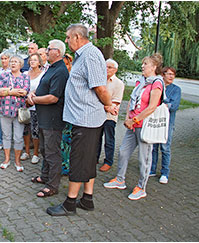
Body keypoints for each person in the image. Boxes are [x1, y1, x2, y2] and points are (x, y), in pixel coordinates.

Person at [45, 24, 115, 216]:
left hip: (86, 119)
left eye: (68, 38)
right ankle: (87, 199)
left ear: (77, 37)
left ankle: (70, 204)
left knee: (78, 161)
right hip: (84, 117)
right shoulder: (82, 56)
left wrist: (108, 105)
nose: (66, 41)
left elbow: (100, 88)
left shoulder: (90, 55)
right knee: (88, 159)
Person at [102, 54, 165, 200]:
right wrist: (127, 118)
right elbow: (131, 101)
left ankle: (141, 187)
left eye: (146, 64)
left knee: (144, 159)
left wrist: (134, 119)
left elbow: (151, 107)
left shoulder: (157, 83)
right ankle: (120, 179)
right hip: (133, 125)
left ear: (154, 67)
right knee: (123, 152)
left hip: (145, 126)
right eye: (143, 63)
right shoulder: (141, 82)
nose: (142, 66)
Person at [27, 39, 69, 198]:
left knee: (52, 152)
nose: (45, 52)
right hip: (44, 117)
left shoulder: (61, 71)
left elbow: (53, 97)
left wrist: (34, 100)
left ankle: (52, 185)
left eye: (48, 49)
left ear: (57, 52)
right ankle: (45, 176)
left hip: (53, 119)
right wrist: (33, 93)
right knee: (44, 149)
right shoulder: (51, 68)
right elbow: (44, 86)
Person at [0, 57, 30, 172]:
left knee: (18, 138)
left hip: (19, 112)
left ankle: (17, 161)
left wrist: (7, 91)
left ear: (20, 64)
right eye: (11, 62)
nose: (13, 64)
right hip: (5, 110)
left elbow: (24, 91)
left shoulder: (25, 76)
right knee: (6, 136)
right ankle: (7, 159)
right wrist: (13, 91)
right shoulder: (4, 75)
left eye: (16, 62)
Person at [150, 66, 181, 183]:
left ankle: (164, 173)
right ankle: (152, 169)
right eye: (169, 74)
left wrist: (164, 102)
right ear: (163, 75)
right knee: (153, 146)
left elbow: (174, 106)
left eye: (173, 74)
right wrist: (165, 103)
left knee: (165, 147)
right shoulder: (158, 86)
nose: (171, 76)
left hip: (168, 123)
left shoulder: (176, 89)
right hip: (156, 122)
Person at [97, 59, 125, 172]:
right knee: (96, 139)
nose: (107, 69)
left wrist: (103, 106)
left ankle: (108, 161)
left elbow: (115, 102)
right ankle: (94, 158)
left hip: (110, 116)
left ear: (115, 70)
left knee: (109, 139)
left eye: (110, 67)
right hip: (97, 115)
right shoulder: (99, 80)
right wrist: (104, 106)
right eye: (106, 66)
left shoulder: (118, 83)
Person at [21, 54, 45, 164]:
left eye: (35, 60)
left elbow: (42, 90)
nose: (32, 61)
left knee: (35, 131)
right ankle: (26, 151)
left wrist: (32, 99)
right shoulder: (25, 74)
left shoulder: (43, 75)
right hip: (25, 106)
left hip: (36, 106)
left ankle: (36, 153)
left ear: (39, 62)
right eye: (31, 60)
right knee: (25, 130)